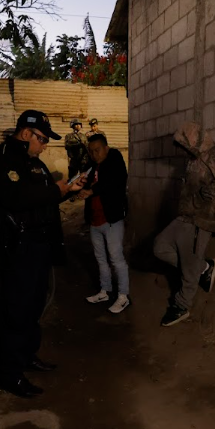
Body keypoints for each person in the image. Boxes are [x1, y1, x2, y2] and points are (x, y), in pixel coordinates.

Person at [0, 110, 87, 398]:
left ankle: (27, 356)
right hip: (15, 249)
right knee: (16, 311)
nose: (45, 145)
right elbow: (15, 198)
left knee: (33, 307)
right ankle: (10, 374)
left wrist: (69, 190)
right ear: (26, 133)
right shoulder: (1, 159)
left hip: (37, 247)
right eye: (42, 139)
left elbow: (43, 199)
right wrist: (56, 191)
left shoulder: (35, 163)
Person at [152, 122, 215, 327]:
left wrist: (208, 193)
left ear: (194, 139)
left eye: (184, 143)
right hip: (185, 215)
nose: (183, 149)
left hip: (202, 218)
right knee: (160, 247)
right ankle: (204, 267)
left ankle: (182, 305)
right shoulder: (194, 158)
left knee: (189, 266)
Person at [77, 133, 130, 314]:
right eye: (91, 151)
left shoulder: (115, 160)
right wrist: (82, 186)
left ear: (106, 148)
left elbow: (112, 182)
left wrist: (91, 191)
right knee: (101, 259)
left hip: (111, 220)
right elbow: (86, 183)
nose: (94, 154)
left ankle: (123, 296)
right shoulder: (91, 165)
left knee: (116, 259)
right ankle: (105, 291)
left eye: (98, 150)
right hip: (95, 221)